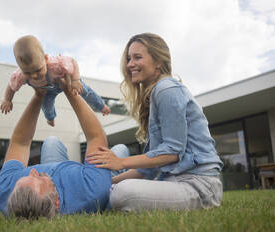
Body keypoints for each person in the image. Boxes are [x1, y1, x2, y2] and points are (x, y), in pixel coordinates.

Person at [87, 33, 224, 211]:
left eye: (137, 57)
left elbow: (172, 153)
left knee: (121, 193)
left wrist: (121, 163)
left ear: (158, 61)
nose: (130, 64)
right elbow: (149, 169)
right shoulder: (156, 93)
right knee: (114, 187)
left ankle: (102, 200)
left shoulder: (167, 90)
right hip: (176, 181)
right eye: (129, 58)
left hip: (198, 186)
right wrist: (108, 181)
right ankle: (102, 196)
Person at [0, 81, 128, 220]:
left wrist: (39, 95)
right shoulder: (91, 190)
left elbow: (20, 143)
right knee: (120, 149)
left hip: (61, 171)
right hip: (83, 179)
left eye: (25, 179)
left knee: (51, 141)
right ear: (56, 202)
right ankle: (106, 175)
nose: (33, 172)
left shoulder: (5, 189)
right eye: (38, 179)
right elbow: (95, 137)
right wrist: (69, 89)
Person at [0, 35, 110, 127]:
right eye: (28, 72)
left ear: (46, 59)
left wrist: (75, 80)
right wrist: (7, 100)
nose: (34, 76)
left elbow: (72, 61)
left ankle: (101, 106)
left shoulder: (55, 64)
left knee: (85, 90)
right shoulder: (20, 75)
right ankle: (51, 118)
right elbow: (11, 87)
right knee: (46, 106)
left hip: (66, 80)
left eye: (38, 70)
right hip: (47, 90)